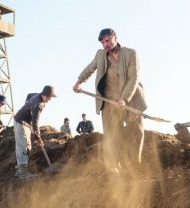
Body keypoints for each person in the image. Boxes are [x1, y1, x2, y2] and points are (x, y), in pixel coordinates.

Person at [72, 28, 147, 171]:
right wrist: (79, 82)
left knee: (136, 132)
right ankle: (114, 170)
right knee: (111, 136)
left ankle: (135, 167)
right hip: (109, 102)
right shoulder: (100, 55)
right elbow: (89, 68)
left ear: (115, 38)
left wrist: (124, 98)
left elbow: (134, 78)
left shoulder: (131, 53)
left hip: (130, 100)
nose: (105, 44)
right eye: (102, 42)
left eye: (107, 40)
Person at [14, 85, 57, 179]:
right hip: (21, 122)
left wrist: (26, 106)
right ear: (46, 95)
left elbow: (29, 95)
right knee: (23, 146)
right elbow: (35, 123)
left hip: (25, 122)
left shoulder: (37, 95)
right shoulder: (37, 105)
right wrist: (38, 139)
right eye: (50, 97)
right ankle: (23, 173)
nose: (50, 99)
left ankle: (21, 169)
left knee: (27, 145)